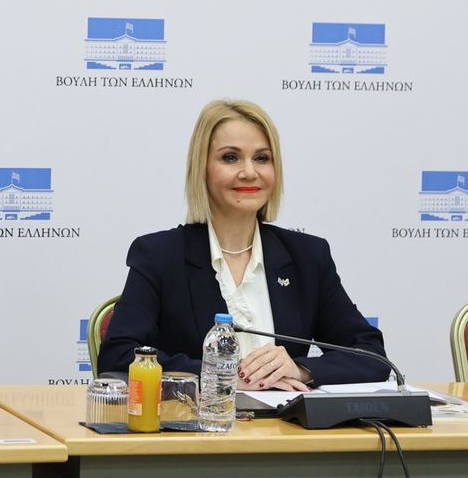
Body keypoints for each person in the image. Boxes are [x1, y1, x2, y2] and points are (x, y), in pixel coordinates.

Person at [99, 99, 389, 389]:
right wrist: (223, 377)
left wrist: (300, 369)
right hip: (198, 417)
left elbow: (372, 356)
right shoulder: (159, 255)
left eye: (262, 158)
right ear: (202, 168)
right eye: (230, 158)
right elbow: (118, 357)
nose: (250, 172)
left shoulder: (308, 257)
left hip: (287, 419)